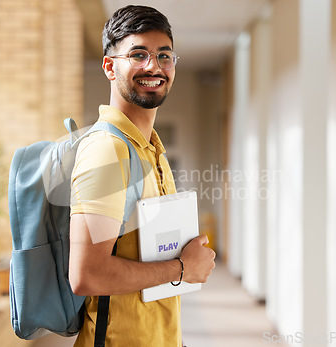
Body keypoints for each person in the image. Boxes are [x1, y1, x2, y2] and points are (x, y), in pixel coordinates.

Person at [69, 5, 215, 346]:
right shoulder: (108, 150)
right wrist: (182, 269)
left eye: (164, 56)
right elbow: (86, 274)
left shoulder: (151, 148)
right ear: (109, 66)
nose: (154, 66)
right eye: (138, 54)